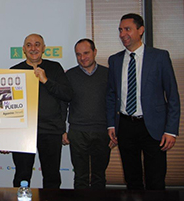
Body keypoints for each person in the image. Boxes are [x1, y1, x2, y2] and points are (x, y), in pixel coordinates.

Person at [106, 13, 180, 190]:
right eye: (120, 30)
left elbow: (172, 96)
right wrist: (111, 125)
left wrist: (171, 130)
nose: (123, 34)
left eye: (127, 29)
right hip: (125, 126)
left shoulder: (159, 57)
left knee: (155, 179)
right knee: (132, 180)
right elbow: (111, 94)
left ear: (141, 30)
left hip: (152, 127)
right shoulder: (115, 60)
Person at [11, 33, 73, 188]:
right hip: (22, 133)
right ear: (24, 49)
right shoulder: (14, 71)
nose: (34, 48)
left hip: (51, 130)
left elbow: (67, 95)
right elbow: (6, 107)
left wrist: (46, 80)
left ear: (44, 48)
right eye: (29, 45)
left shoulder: (54, 68)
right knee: (21, 176)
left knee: (51, 176)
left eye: (37, 44)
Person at [62, 39, 112, 189]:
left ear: (95, 52)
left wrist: (115, 131)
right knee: (80, 177)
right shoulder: (69, 75)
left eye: (86, 53)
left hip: (102, 132)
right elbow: (63, 104)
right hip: (78, 133)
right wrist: (63, 130)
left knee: (99, 176)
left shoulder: (109, 74)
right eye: (78, 54)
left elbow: (115, 104)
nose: (82, 58)